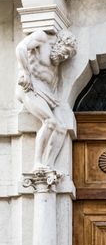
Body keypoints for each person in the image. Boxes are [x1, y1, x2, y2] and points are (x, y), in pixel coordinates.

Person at [16, 29, 77, 171]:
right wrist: (24, 71)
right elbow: (21, 47)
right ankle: (37, 163)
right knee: (50, 122)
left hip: (47, 94)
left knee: (61, 127)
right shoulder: (42, 37)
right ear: (59, 42)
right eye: (66, 50)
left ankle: (48, 165)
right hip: (30, 88)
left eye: (69, 55)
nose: (65, 56)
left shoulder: (56, 61)